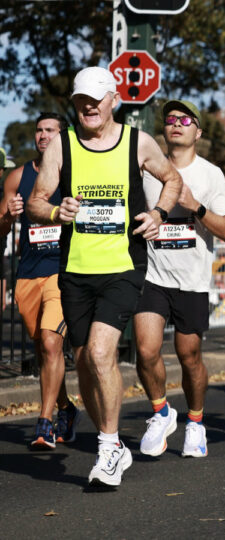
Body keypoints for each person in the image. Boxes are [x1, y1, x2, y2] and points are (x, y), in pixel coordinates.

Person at [26, 66, 183, 486]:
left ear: (114, 99)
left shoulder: (138, 142)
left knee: (99, 352)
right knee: (83, 363)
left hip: (123, 267)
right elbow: (37, 201)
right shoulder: (63, 146)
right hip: (76, 269)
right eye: (81, 100)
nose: (89, 106)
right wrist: (58, 211)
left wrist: (158, 214)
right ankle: (110, 442)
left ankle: (109, 448)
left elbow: (172, 179)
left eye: (96, 99)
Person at [133, 99, 225, 458]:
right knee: (145, 351)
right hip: (152, 275)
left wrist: (197, 207)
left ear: (198, 131)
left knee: (189, 354)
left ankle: (195, 422)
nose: (176, 124)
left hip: (192, 279)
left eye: (185, 119)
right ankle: (162, 412)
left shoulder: (211, 174)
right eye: (171, 119)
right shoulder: (147, 171)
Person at [0, 112, 80, 450]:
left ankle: (44, 423)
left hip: (61, 270)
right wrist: (9, 214)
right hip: (28, 274)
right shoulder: (18, 177)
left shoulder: (74, 173)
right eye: (39, 130)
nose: (43, 135)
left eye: (51, 130)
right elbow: (1, 229)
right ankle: (66, 408)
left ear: (62, 136)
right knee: (43, 348)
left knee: (51, 343)